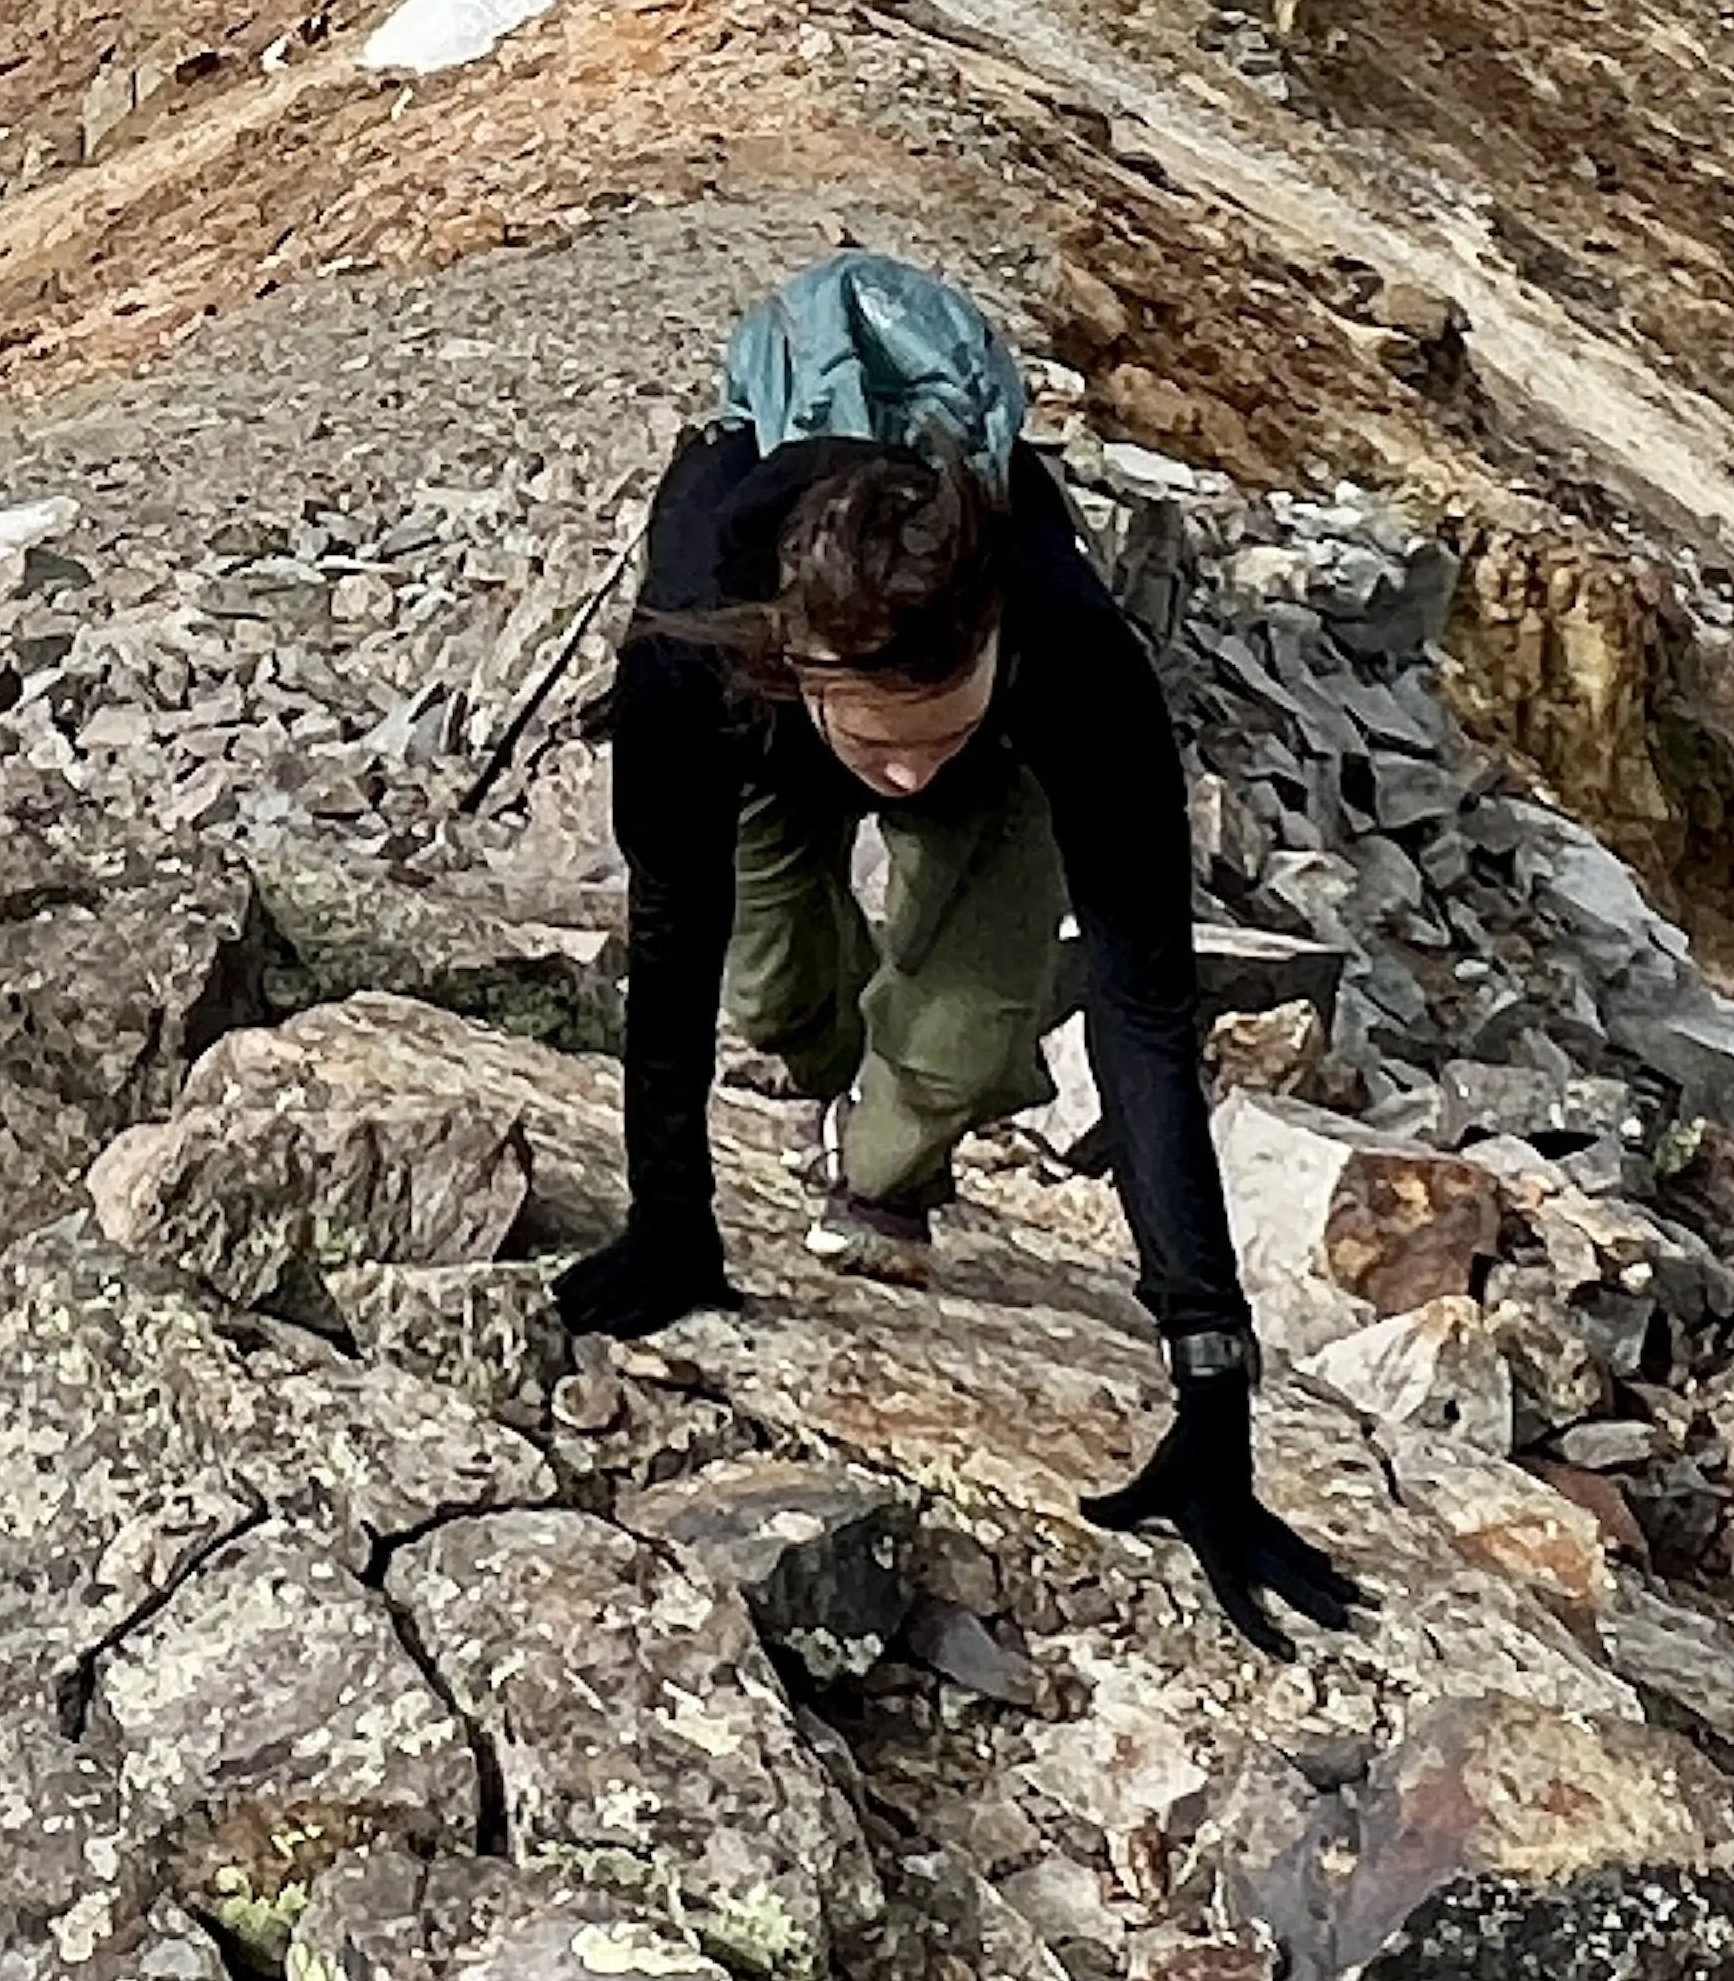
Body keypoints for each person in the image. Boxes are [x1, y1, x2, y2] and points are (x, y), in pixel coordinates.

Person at [543, 254, 1374, 1652]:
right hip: (765, 742)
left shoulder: (1070, 647)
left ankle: (891, 1159)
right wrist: (670, 1219)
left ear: (994, 635)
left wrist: (1212, 1389)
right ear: (796, 667)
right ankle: (828, 1073)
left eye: (933, 729)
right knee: (765, 982)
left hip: (1008, 749)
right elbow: (670, 933)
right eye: (881, 741)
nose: (905, 777)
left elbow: (1145, 1010)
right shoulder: (693, 650)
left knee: (966, 1037)